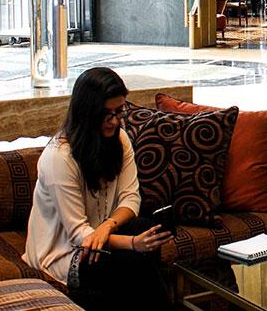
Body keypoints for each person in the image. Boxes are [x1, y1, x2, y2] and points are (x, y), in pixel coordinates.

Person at [23, 68, 175, 310]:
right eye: (106, 114)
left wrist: (107, 227)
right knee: (137, 262)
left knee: (146, 229)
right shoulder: (59, 157)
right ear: (87, 113)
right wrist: (132, 243)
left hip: (99, 234)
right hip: (65, 253)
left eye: (119, 111)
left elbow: (131, 198)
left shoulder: (120, 139)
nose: (114, 121)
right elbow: (78, 234)